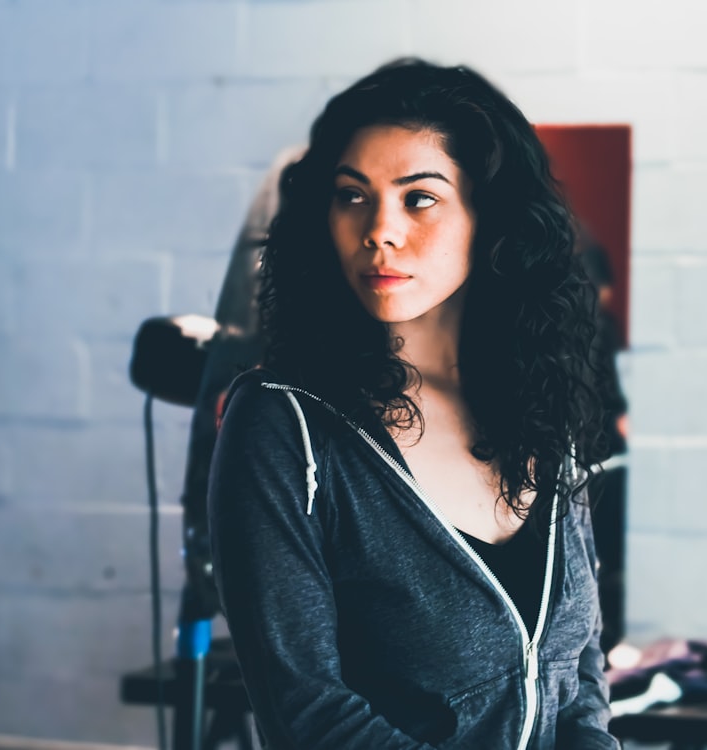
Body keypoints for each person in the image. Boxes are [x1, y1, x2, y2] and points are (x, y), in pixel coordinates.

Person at [208, 59, 619, 749]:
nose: (379, 230)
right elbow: (309, 715)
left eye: (418, 198)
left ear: (489, 218)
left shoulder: (541, 413)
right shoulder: (285, 425)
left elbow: (577, 675)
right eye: (352, 195)